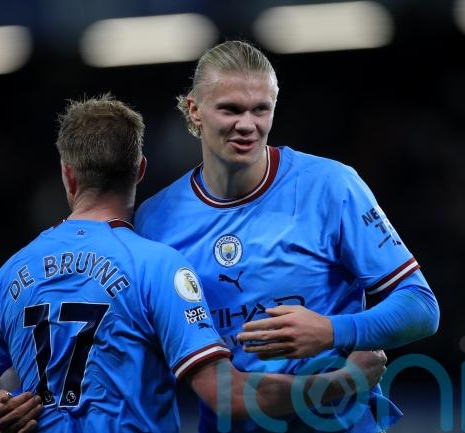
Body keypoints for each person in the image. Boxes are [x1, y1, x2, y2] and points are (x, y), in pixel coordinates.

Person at [0, 94, 388, 433]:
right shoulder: (158, 266)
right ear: (139, 169)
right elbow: (228, 396)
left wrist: (2, 402)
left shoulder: (11, 273)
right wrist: (343, 382)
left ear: (68, 174)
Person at [132, 40, 440, 432]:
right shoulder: (156, 221)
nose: (248, 125)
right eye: (230, 109)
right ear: (194, 110)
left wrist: (332, 331)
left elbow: (421, 306)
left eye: (260, 109)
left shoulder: (331, 185)